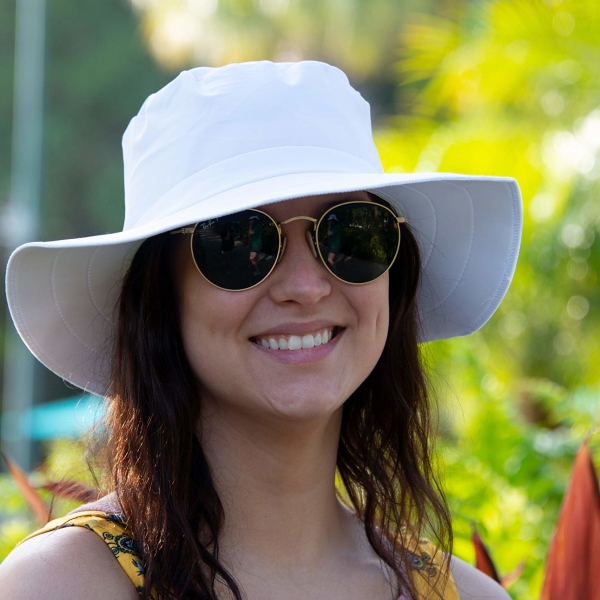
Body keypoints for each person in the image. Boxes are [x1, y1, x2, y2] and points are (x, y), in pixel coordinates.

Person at [0, 61, 521, 599]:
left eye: (350, 233)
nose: (306, 286)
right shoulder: (64, 585)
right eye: (238, 242)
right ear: (160, 298)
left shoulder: (468, 595)